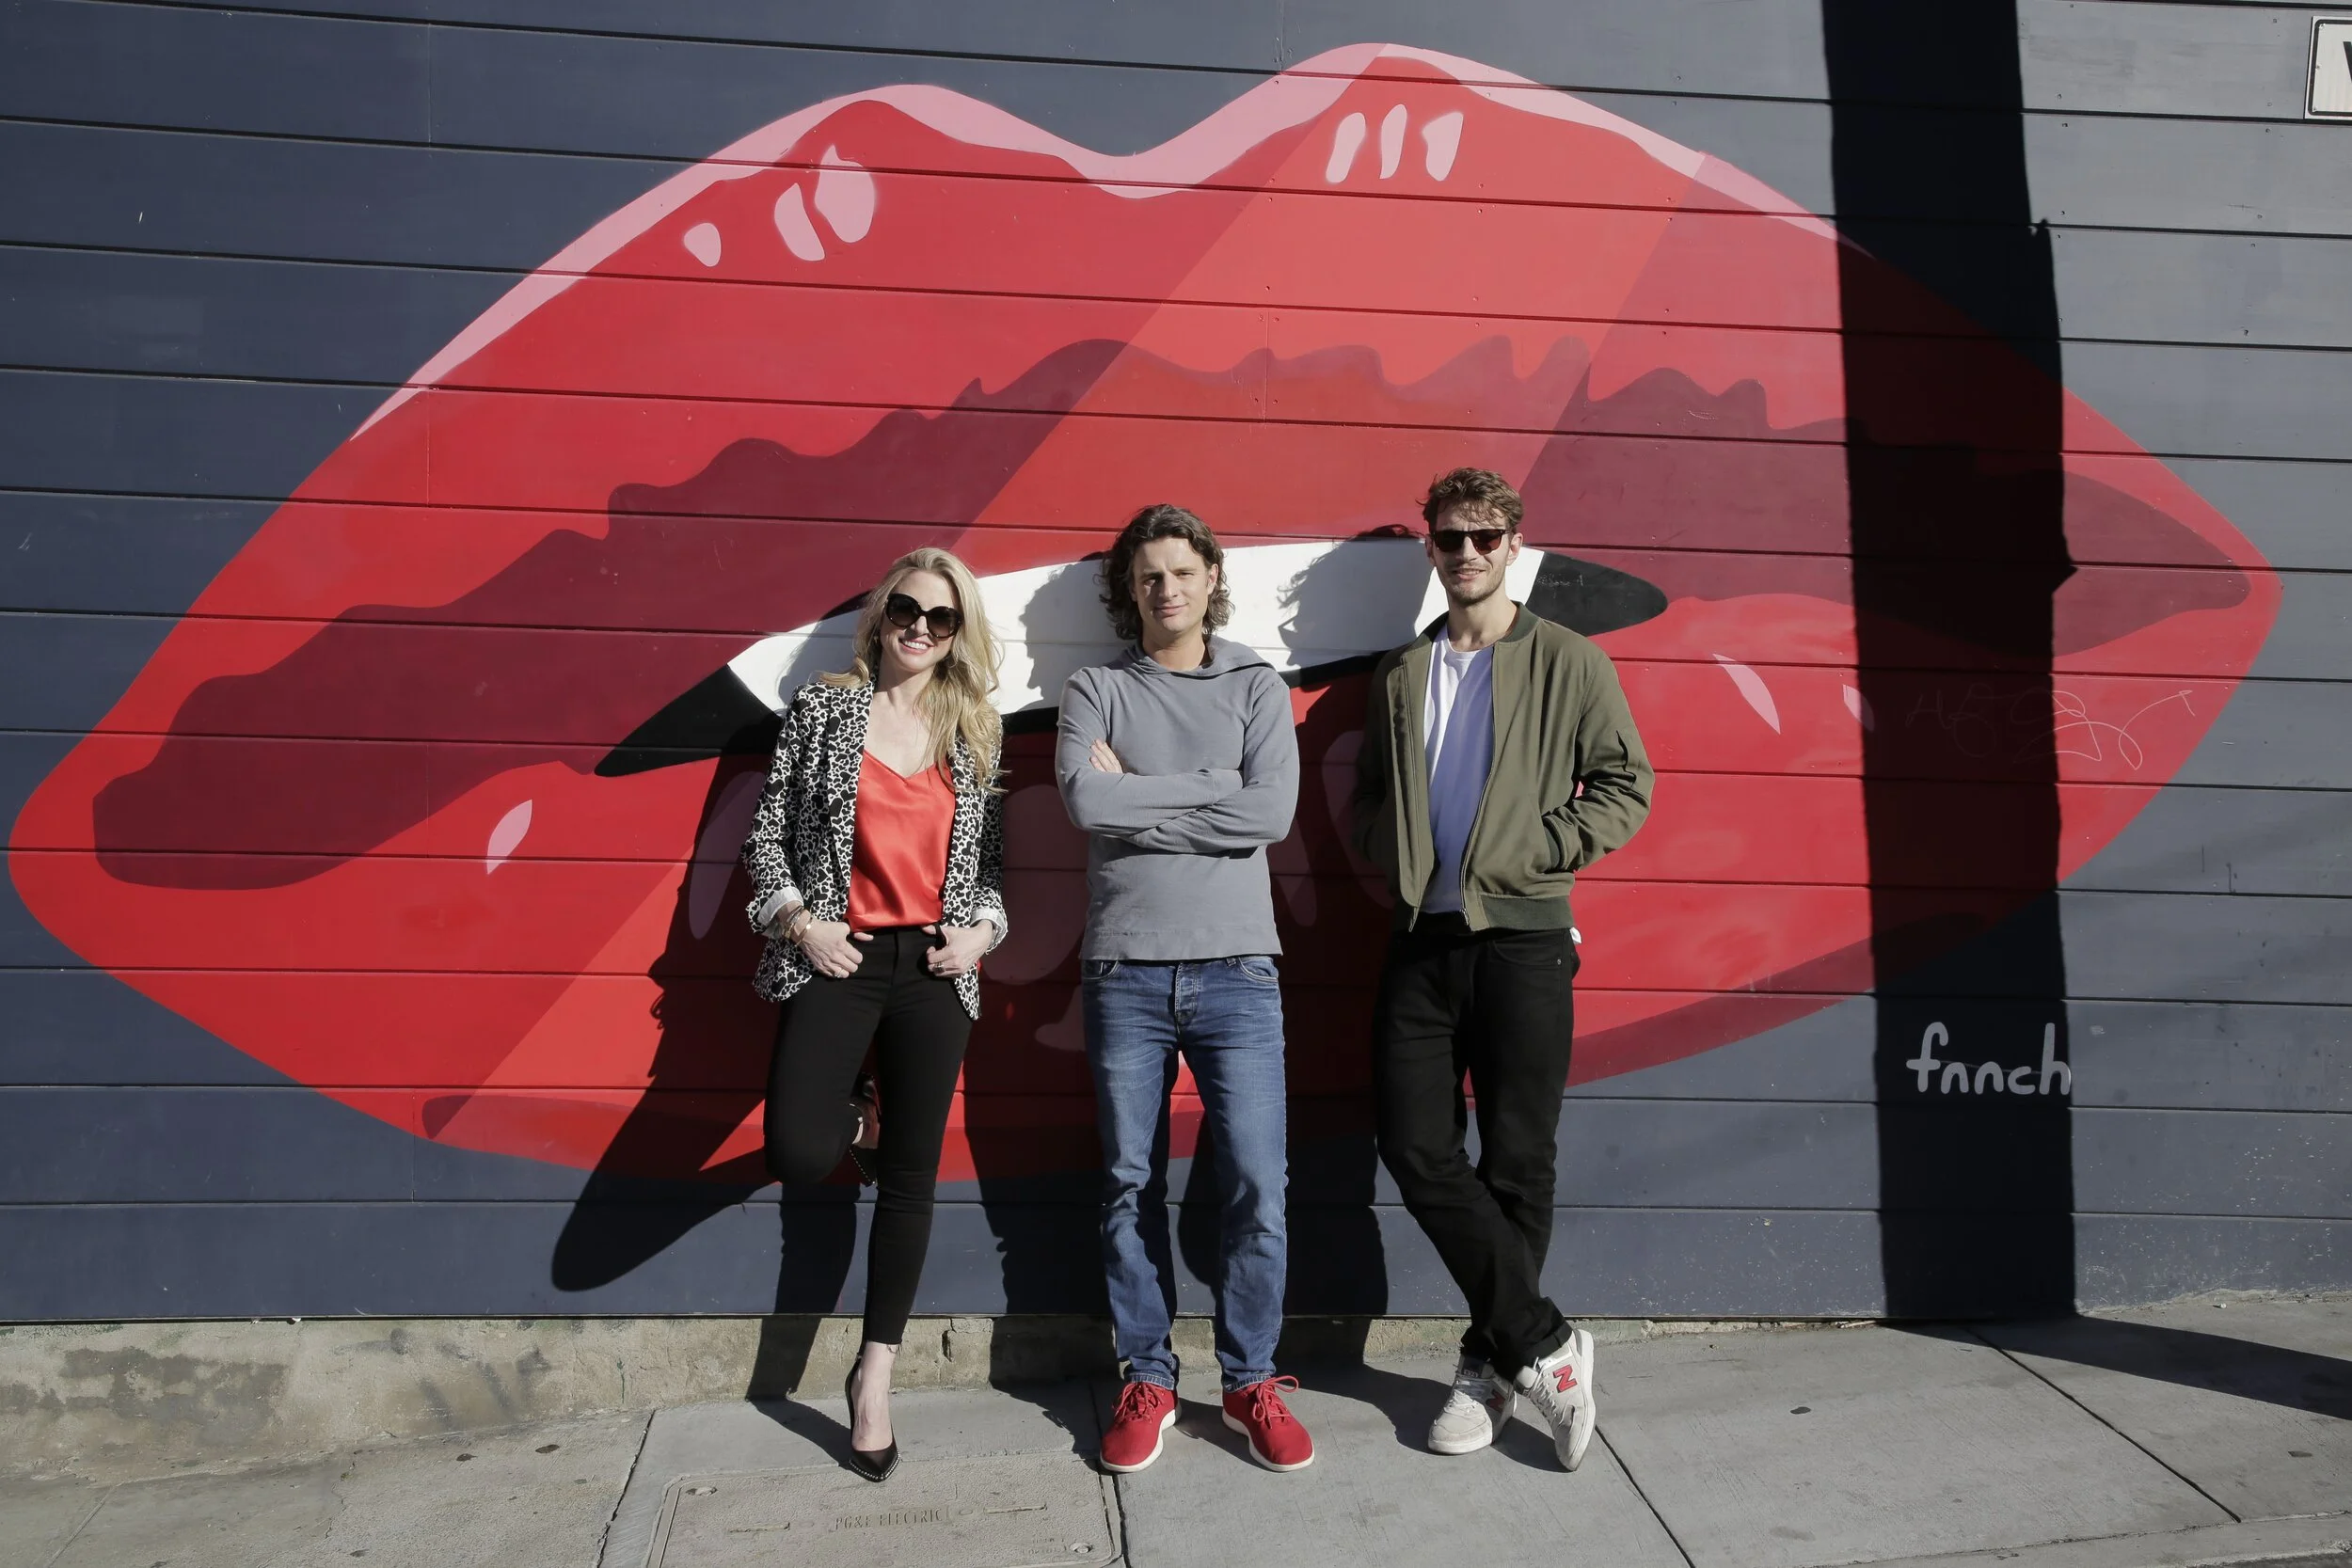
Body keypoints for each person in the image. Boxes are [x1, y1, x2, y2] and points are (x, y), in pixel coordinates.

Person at [1350, 467, 1653, 1471]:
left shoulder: (1566, 659)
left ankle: (1486, 1366)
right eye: (1452, 537)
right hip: (1420, 939)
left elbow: (1626, 783)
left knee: (1517, 1160)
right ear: (1431, 549)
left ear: (1514, 544)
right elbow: (1368, 793)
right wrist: (1387, 850)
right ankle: (1546, 1343)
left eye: (1486, 536)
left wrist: (1539, 849)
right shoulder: (1402, 671)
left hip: (1524, 940)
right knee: (1414, 1144)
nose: (1468, 552)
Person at [739, 547, 1009, 1483]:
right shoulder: (823, 711)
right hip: (840, 955)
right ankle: (860, 1116)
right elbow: (765, 837)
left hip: (934, 970)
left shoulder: (974, 729)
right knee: (796, 1148)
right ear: (881, 614)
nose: (920, 628)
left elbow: (992, 872)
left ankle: (875, 1374)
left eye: (941, 617)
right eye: (906, 608)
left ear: (958, 633)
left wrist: (983, 933)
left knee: (911, 1180)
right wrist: (799, 923)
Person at [1055, 504, 1313, 1474]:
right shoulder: (1094, 687)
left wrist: (1140, 800)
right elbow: (1085, 798)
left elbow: (1271, 812)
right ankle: (1149, 1377)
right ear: (1128, 590)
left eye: (1182, 571)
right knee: (1129, 1182)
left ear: (1211, 579)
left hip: (1238, 967)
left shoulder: (1254, 685)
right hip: (1124, 967)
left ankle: (1250, 1379)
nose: (1166, 588)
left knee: (1257, 1182)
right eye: (1148, 575)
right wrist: (1212, 786)